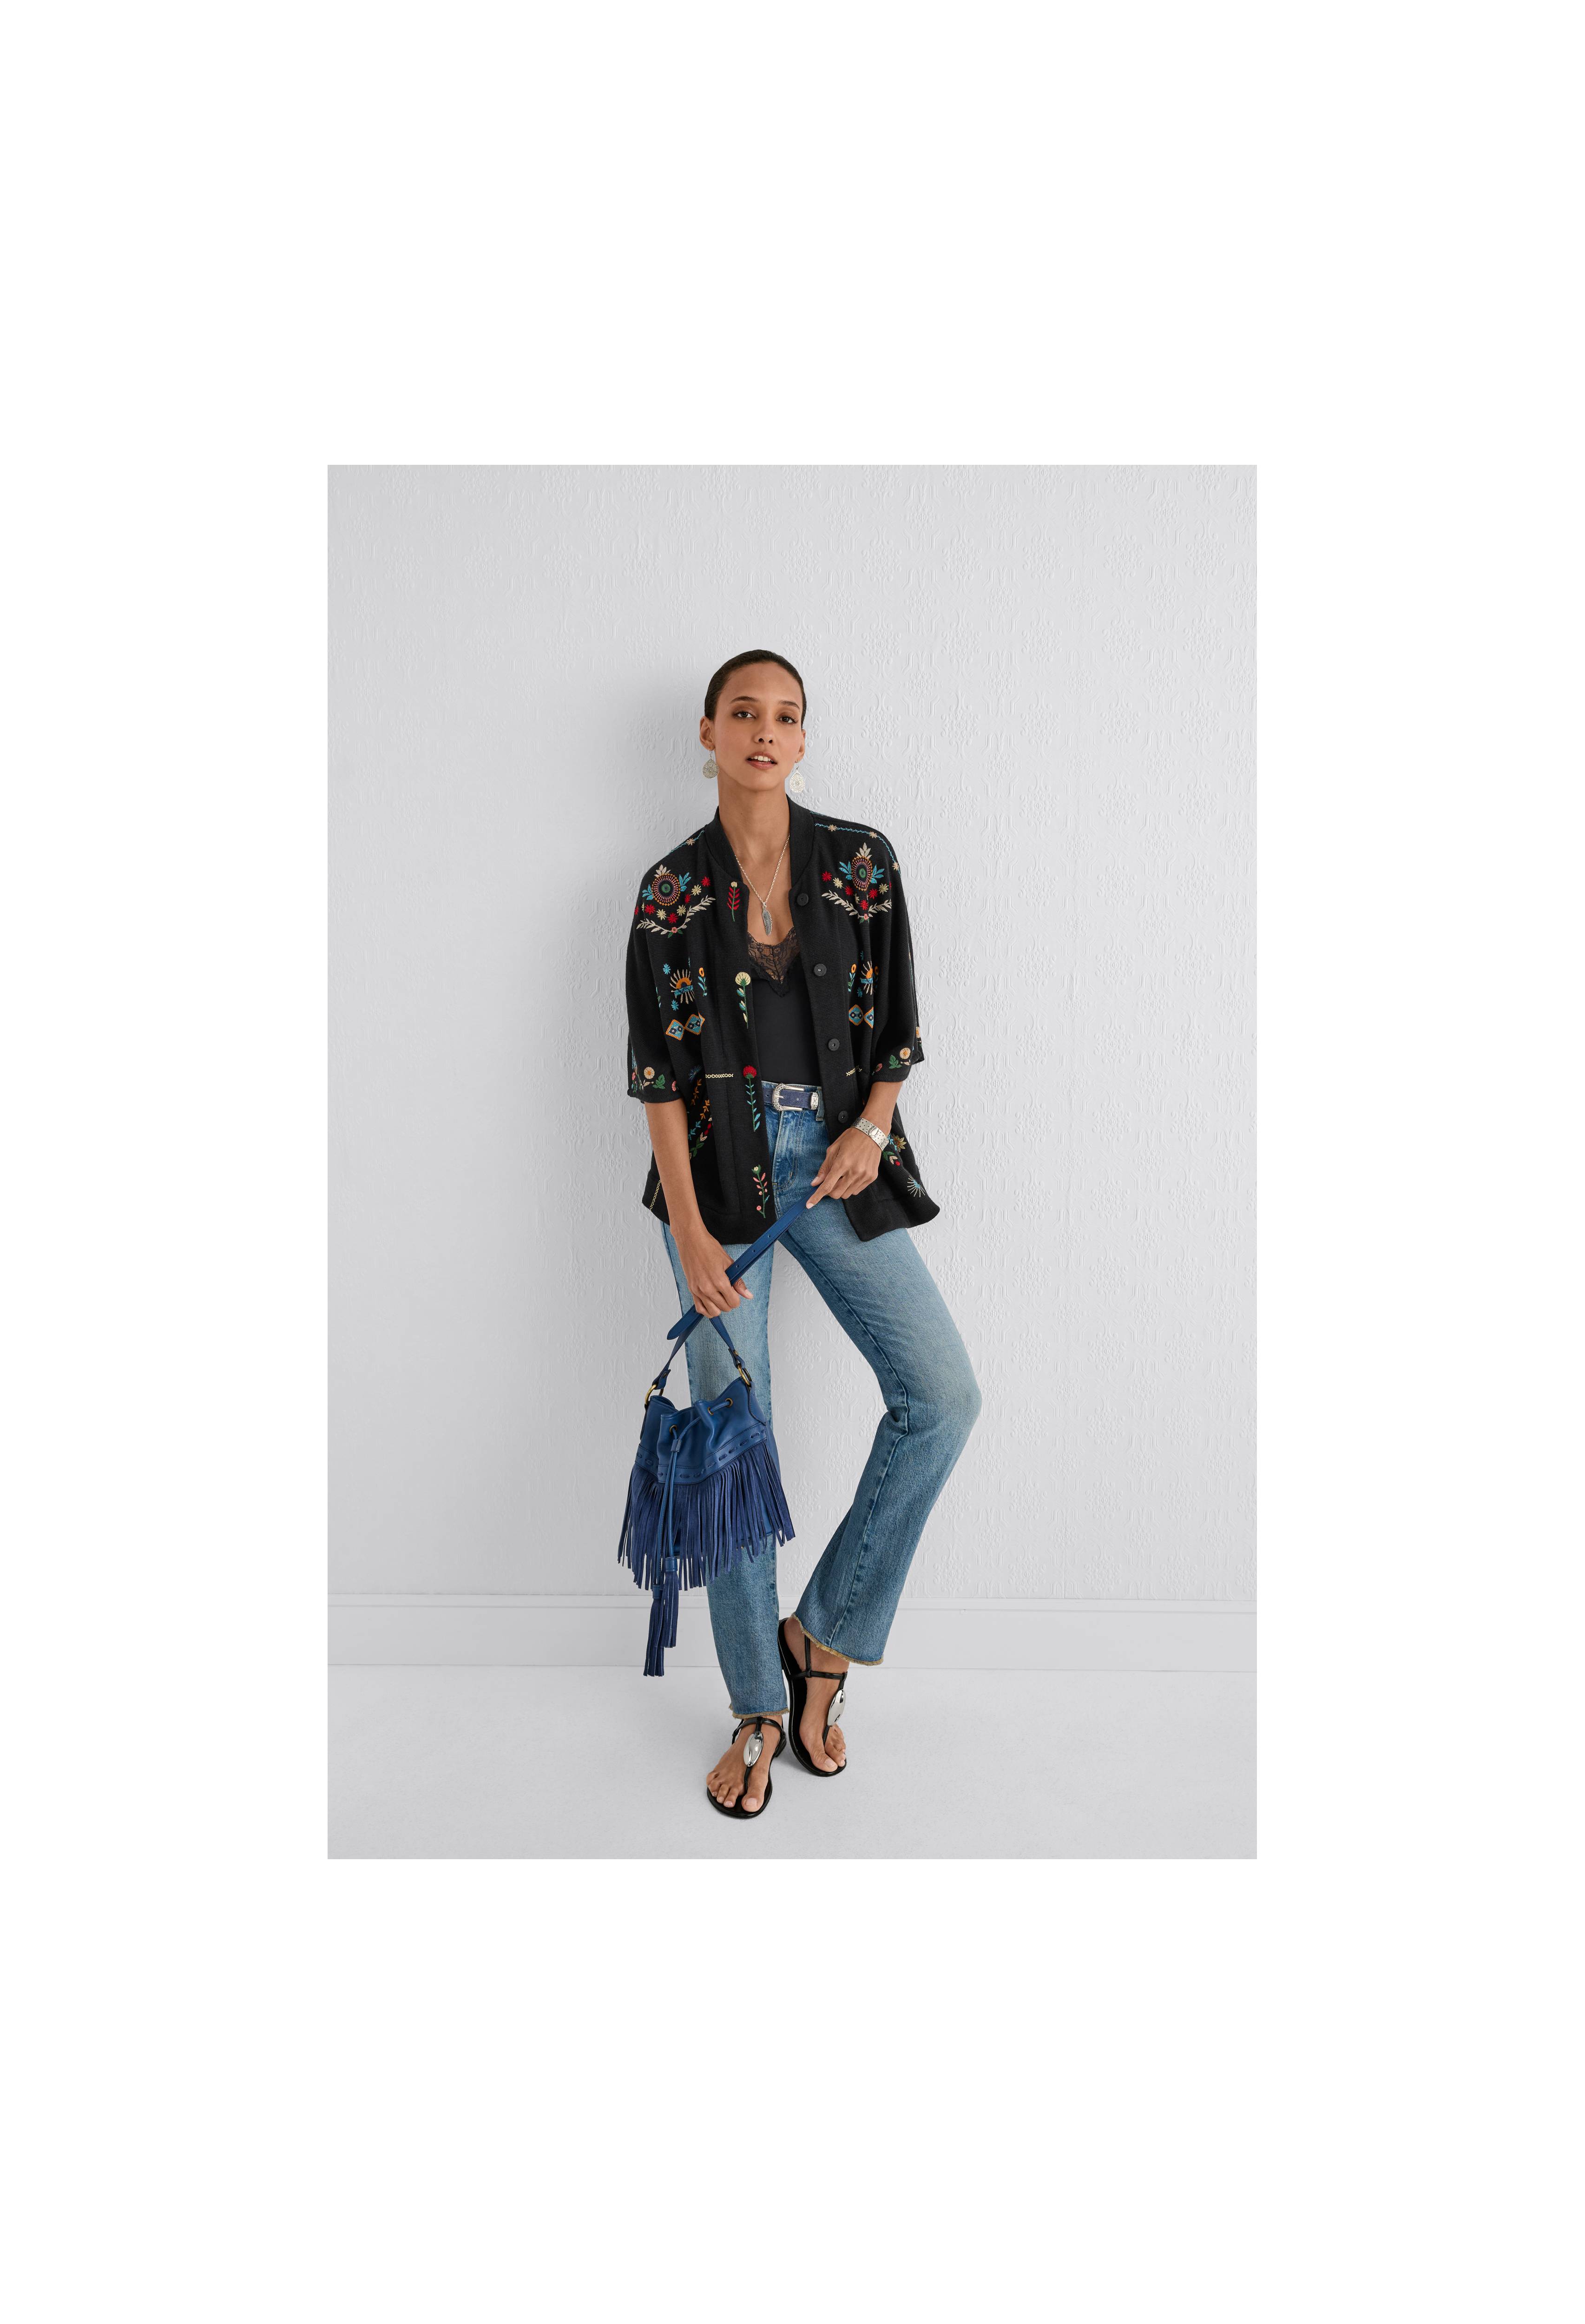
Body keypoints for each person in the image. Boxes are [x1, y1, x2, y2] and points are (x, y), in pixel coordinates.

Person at [624, 650, 981, 1818]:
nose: (764, 732)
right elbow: (656, 1077)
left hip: (834, 1166)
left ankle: (820, 1637)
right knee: (737, 1444)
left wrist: (871, 1128)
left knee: (941, 1396)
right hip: (714, 1182)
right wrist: (687, 1231)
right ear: (708, 732)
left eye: (784, 716)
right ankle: (754, 1708)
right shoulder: (670, 891)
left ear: (803, 738)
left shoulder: (860, 863)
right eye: (743, 713)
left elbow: (899, 1026)